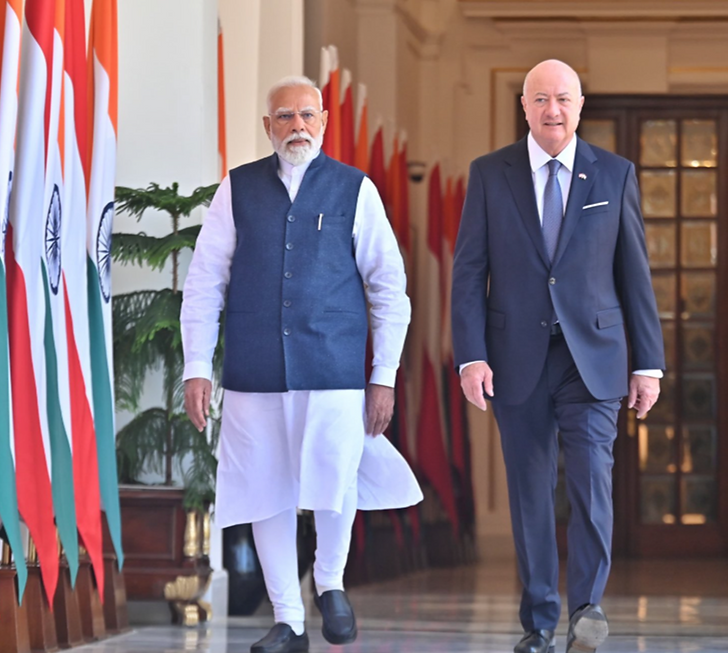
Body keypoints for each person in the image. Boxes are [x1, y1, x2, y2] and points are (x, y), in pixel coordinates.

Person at [181, 75, 421, 653]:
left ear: (324, 123)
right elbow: (205, 281)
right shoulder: (237, 189)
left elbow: (389, 286)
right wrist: (196, 366)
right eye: (284, 117)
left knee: (334, 479)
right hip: (254, 371)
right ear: (268, 127)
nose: (297, 126)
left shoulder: (354, 189)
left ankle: (330, 582)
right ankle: (288, 620)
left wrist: (382, 375)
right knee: (265, 491)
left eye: (307, 115)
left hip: (333, 368)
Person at [451, 59, 665, 653]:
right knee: (530, 492)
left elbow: (634, 275)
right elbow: (468, 272)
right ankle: (540, 621)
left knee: (593, 482)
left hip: (592, 359)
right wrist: (470, 355)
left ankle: (588, 608)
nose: (552, 110)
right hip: (514, 358)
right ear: (524, 107)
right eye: (540, 99)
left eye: (563, 99)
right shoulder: (490, 174)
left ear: (580, 105)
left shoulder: (614, 175)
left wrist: (647, 363)